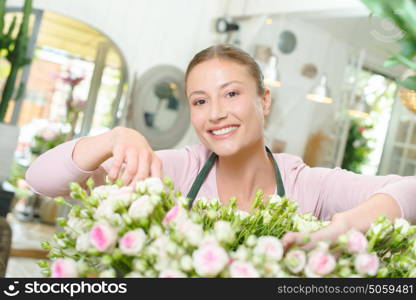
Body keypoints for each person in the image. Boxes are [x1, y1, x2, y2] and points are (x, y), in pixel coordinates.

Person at [25, 44, 416, 251]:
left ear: (264, 101)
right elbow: (41, 179)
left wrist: (343, 225)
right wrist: (113, 138)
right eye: (199, 101)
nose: (215, 114)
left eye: (230, 94)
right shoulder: (172, 171)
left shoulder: (307, 186)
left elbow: (409, 190)